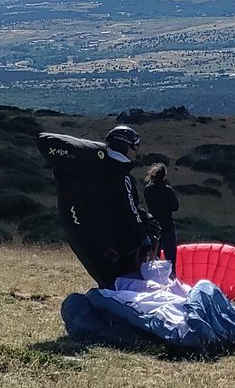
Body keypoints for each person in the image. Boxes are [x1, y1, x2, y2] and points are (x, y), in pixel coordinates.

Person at [37, 123, 158, 288]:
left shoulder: (98, 167)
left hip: (84, 234)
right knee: (120, 284)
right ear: (125, 147)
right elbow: (130, 210)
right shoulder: (120, 176)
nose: (137, 151)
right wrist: (145, 239)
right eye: (135, 146)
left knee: (108, 281)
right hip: (109, 242)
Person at [144, 161, 181, 272]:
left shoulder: (148, 189)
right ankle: (172, 275)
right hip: (167, 224)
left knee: (154, 255)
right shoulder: (167, 190)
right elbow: (175, 206)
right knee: (170, 256)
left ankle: (154, 277)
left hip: (153, 225)